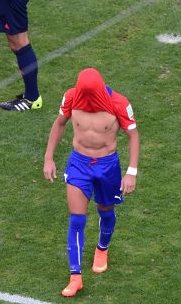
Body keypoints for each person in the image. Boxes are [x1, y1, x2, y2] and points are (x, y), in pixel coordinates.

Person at [43, 67, 140, 298]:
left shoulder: (118, 103)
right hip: (79, 164)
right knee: (76, 219)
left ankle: (102, 249)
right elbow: (59, 124)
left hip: (107, 166)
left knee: (106, 212)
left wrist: (131, 172)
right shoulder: (71, 97)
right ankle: (75, 277)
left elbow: (133, 135)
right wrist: (48, 158)